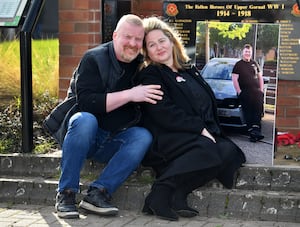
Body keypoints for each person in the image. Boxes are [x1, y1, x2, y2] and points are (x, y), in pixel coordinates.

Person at [136, 17, 246, 221]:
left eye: (161, 41)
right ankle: (159, 193)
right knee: (208, 150)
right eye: (151, 45)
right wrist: (200, 129)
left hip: (193, 134)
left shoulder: (189, 69)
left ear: (171, 41)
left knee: (228, 151)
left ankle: (179, 194)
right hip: (167, 136)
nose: (158, 47)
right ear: (147, 52)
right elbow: (164, 112)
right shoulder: (151, 75)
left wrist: (211, 130)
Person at [54, 14, 163, 219]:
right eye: (127, 37)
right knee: (84, 119)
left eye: (137, 40)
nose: (132, 44)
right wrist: (131, 94)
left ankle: (98, 193)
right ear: (115, 36)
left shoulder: (143, 65)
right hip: (86, 138)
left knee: (143, 136)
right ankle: (66, 193)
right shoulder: (94, 58)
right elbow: (86, 102)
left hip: (115, 141)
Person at [232, 44, 265, 142]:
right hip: (245, 93)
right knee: (249, 113)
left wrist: (261, 91)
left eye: (249, 52)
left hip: (257, 93)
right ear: (243, 52)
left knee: (258, 112)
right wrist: (239, 92)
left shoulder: (254, 63)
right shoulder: (238, 65)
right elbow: (234, 79)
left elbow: (260, 78)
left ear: (251, 53)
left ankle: (256, 132)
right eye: (246, 52)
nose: (247, 53)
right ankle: (252, 133)